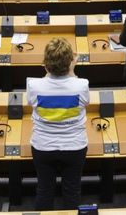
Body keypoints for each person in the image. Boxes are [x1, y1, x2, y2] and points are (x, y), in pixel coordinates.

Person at [27, 38, 89, 210]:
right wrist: (72, 71)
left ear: (46, 63)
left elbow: (32, 102)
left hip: (43, 147)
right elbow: (85, 103)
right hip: (75, 147)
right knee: (72, 191)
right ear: (70, 62)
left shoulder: (33, 85)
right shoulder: (82, 85)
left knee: (44, 190)